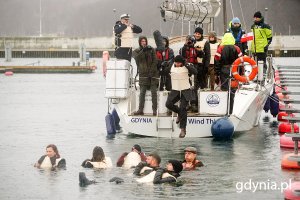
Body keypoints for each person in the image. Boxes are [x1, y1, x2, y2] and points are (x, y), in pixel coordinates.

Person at [165, 55, 197, 138]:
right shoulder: (172, 66)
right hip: (175, 89)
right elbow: (164, 72)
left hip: (185, 90)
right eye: (176, 62)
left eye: (179, 63)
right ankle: (179, 112)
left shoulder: (187, 66)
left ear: (182, 62)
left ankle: (183, 129)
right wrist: (165, 65)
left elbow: (195, 72)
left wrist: (186, 64)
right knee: (168, 104)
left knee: (183, 108)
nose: (177, 64)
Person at [214, 33, 242, 114]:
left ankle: (224, 110)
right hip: (234, 70)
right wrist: (240, 73)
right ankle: (231, 110)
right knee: (233, 90)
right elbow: (241, 60)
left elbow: (216, 60)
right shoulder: (237, 48)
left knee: (225, 90)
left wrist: (217, 72)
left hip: (224, 70)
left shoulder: (220, 48)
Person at [133, 36, 158, 116]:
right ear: (140, 42)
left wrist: (151, 71)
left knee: (154, 93)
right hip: (143, 75)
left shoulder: (152, 50)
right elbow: (137, 59)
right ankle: (140, 109)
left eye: (145, 41)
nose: (144, 42)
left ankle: (154, 110)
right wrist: (143, 50)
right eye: (142, 41)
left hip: (152, 75)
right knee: (142, 93)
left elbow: (155, 61)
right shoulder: (136, 51)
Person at [179, 35, 198, 112]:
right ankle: (186, 104)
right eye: (187, 40)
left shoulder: (195, 49)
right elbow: (181, 57)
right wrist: (185, 45)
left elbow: (201, 55)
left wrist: (197, 48)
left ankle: (193, 103)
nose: (189, 42)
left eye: (190, 40)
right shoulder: (182, 49)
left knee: (193, 87)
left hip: (194, 68)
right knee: (186, 86)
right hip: (186, 68)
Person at [251, 11, 272, 75]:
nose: (255, 19)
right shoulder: (253, 26)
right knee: (255, 64)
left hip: (262, 48)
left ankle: (263, 75)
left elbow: (269, 37)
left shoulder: (265, 26)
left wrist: (266, 45)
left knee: (262, 63)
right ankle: (257, 75)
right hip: (255, 48)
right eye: (254, 18)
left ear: (260, 18)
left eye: (256, 17)